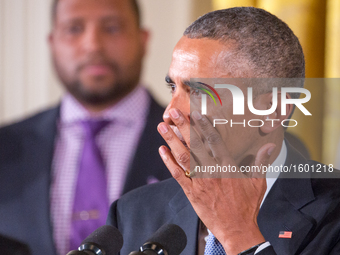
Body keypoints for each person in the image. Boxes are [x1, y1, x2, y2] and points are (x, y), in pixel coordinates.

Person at [108, 7, 340, 255]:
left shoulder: (333, 213)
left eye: (198, 92)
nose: (169, 113)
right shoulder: (132, 213)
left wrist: (238, 235)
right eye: (172, 87)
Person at [0, 0, 171, 254]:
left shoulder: (197, 145)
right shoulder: (6, 147)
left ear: (143, 39)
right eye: (74, 28)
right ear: (52, 43)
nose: (93, 45)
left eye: (112, 28)